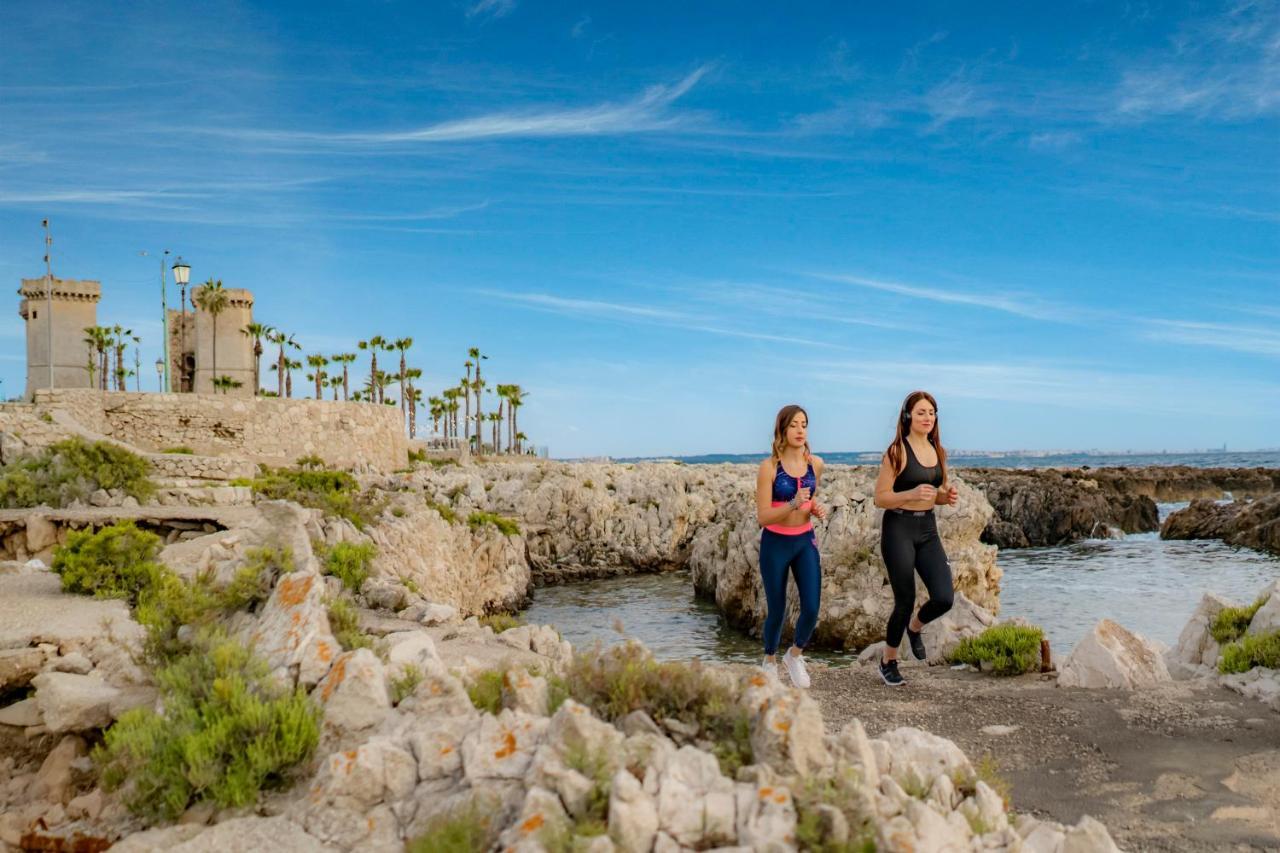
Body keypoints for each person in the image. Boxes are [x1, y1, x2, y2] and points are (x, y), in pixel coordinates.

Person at [872, 390, 959, 686]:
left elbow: (936, 494)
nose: (927, 418)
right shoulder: (896, 451)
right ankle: (888, 661)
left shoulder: (939, 451)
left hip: (928, 530)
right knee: (905, 599)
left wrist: (945, 497)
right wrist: (909, 494)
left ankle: (915, 627)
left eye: (932, 413)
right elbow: (880, 498)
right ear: (909, 416)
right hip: (899, 529)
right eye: (921, 412)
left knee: (945, 597)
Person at [755, 404, 828, 687]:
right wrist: (793, 504)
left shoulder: (815, 464)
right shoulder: (769, 468)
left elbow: (808, 501)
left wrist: (813, 508)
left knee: (811, 607)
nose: (800, 430)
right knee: (778, 608)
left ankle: (794, 655)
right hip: (775, 543)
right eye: (794, 424)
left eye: (804, 424)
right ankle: (769, 660)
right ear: (782, 430)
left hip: (804, 541)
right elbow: (763, 516)